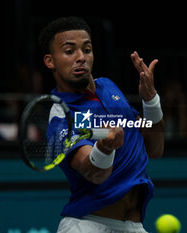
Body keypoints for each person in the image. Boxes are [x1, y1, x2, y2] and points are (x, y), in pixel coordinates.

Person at [39, 17, 165, 233]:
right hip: (88, 225)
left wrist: (151, 101)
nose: (81, 58)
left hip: (134, 227)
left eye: (87, 50)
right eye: (69, 51)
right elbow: (93, 172)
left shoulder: (109, 87)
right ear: (50, 61)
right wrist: (104, 148)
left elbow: (154, 148)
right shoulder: (60, 114)